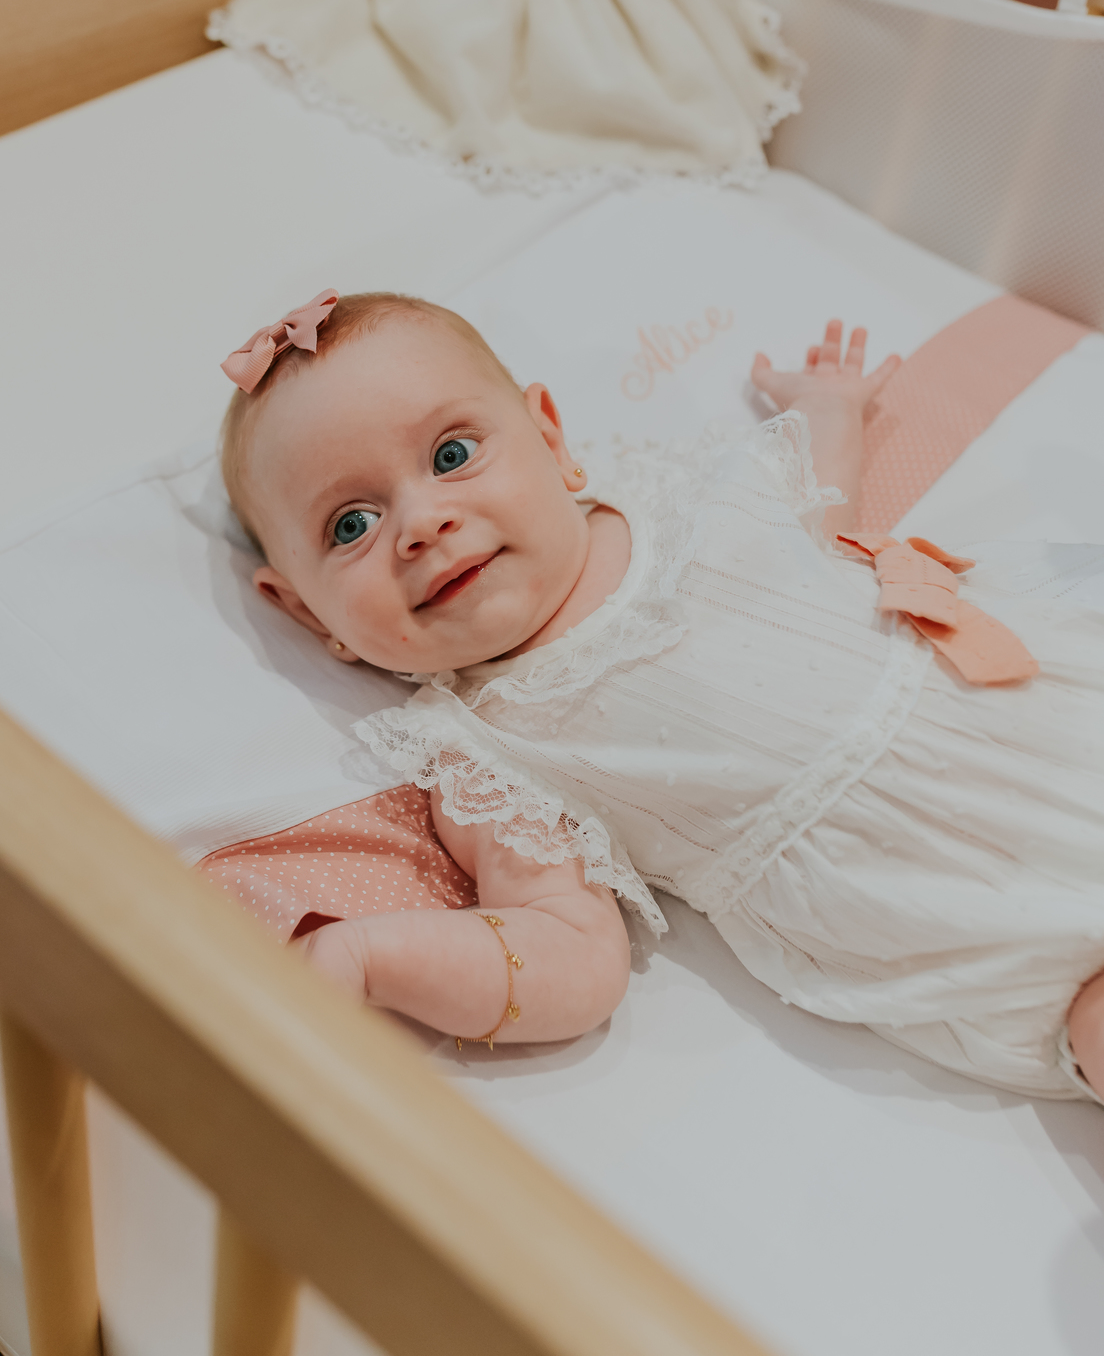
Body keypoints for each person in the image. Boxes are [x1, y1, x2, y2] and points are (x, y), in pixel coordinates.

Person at [218, 289, 1104, 1097]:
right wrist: (372, 955)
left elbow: (816, 517)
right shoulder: (491, 749)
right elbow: (566, 951)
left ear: (553, 440)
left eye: (452, 454)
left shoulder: (680, 497)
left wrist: (827, 409)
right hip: (942, 890)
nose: (422, 524)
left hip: (1034, 705)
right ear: (306, 613)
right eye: (352, 525)